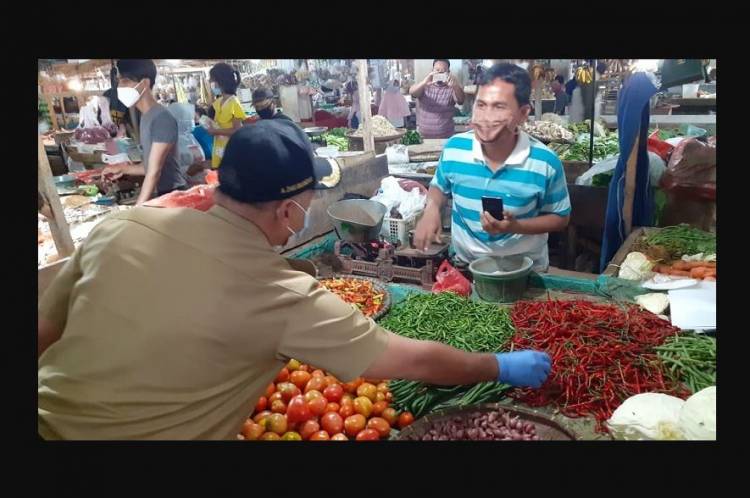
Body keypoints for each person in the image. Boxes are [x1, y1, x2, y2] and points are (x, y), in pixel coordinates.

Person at [37, 119, 551, 440]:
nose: (304, 216)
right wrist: (498, 366)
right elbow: (409, 359)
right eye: (306, 205)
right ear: (287, 210)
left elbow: (43, 331)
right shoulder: (277, 292)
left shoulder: (121, 224)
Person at [413, 63, 571, 272]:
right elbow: (439, 187)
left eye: (499, 106)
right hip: (464, 269)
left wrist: (516, 227)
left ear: (523, 113)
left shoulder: (545, 162)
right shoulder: (454, 149)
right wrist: (432, 209)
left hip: (524, 272)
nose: (486, 117)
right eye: (481, 105)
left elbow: (561, 217)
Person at [101, 59, 187, 205]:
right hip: (161, 194)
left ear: (145, 83)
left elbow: (154, 172)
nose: (120, 87)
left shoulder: (161, 118)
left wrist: (137, 210)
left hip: (172, 196)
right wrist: (122, 168)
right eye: (119, 82)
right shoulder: (146, 116)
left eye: (125, 81)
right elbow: (148, 167)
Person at [409, 59, 465, 139]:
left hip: (446, 136)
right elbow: (412, 93)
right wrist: (424, 82)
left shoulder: (452, 87)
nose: (440, 73)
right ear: (432, 71)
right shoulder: (425, 85)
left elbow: (461, 101)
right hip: (423, 137)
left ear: (448, 72)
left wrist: (455, 86)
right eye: (437, 70)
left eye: (443, 71)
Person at [207, 62, 247, 169]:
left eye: (212, 79)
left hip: (231, 151)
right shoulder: (217, 102)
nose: (210, 82)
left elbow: (237, 130)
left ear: (221, 81)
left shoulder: (234, 103)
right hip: (219, 150)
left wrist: (215, 131)